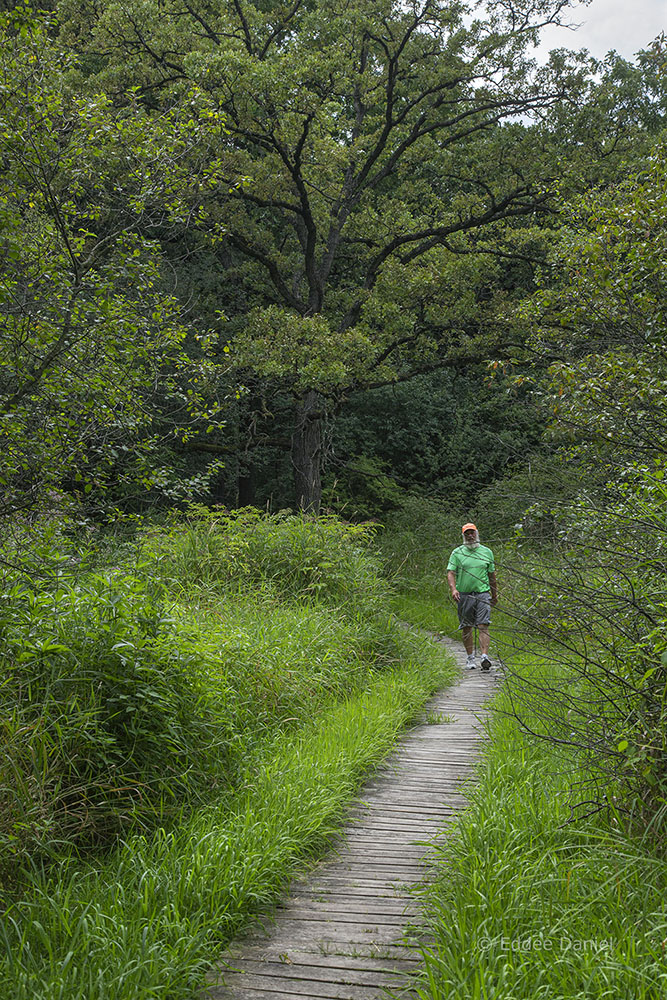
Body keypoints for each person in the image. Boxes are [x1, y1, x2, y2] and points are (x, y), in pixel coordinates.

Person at [447, 522, 497, 671]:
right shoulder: (457, 552)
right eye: (467, 534)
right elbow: (450, 572)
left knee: (483, 625)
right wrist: (454, 589)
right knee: (467, 626)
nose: (470, 536)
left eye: (472, 533)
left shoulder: (487, 552)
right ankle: (470, 658)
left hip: (482, 593)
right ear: (463, 536)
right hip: (464, 595)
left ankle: (484, 657)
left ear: (477, 533)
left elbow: (492, 575)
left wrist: (494, 594)